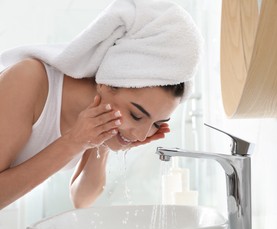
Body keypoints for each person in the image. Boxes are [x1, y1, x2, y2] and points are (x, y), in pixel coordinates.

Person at [0, 0, 203, 210]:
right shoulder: (28, 80)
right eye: (136, 115)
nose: (142, 136)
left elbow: (81, 199)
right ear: (106, 83)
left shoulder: (95, 116)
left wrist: (104, 141)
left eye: (156, 124)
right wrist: (73, 142)